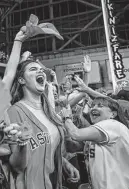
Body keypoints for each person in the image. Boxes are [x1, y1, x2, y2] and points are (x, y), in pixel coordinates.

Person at [5, 59, 80, 189]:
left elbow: (49, 147)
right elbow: (18, 166)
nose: (40, 71)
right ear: (22, 80)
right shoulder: (15, 111)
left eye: (41, 69)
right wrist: (22, 144)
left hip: (51, 181)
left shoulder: (49, 111)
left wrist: (63, 163)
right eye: (33, 69)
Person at [60, 96, 129, 189]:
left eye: (100, 106)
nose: (94, 108)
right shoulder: (98, 131)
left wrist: (66, 117)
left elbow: (75, 134)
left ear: (113, 114)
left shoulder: (112, 124)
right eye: (92, 105)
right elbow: (72, 147)